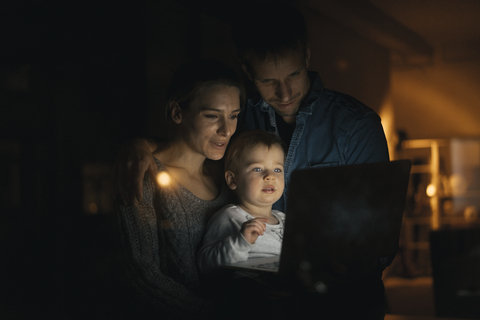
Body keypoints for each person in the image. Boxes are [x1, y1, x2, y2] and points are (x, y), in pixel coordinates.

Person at [114, 2, 390, 319]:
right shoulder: (244, 115)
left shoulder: (356, 127)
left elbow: (376, 242)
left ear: (307, 56)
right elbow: (194, 137)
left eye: (293, 74)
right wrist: (142, 144)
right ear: (247, 70)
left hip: (339, 300)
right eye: (268, 81)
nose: (284, 93)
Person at [114, 59, 245, 319]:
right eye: (212, 116)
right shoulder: (144, 173)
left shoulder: (230, 176)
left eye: (233, 116)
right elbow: (142, 274)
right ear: (177, 113)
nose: (226, 130)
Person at [197, 130, 286, 273]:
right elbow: (205, 264)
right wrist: (240, 243)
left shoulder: (285, 219)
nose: (270, 176)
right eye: (257, 169)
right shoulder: (229, 217)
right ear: (233, 179)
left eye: (277, 169)